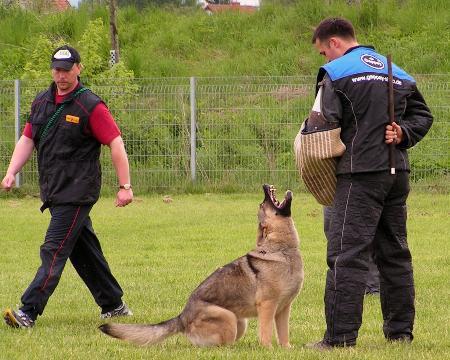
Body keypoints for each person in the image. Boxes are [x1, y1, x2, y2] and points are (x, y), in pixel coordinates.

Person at [306, 18, 433, 349]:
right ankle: (400, 334)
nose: (325, 59)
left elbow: (320, 128)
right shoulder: (398, 72)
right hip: (396, 175)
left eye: (323, 52)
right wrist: (403, 132)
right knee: (395, 255)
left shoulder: (335, 74)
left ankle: (339, 338)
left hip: (359, 176)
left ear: (333, 42)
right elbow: (423, 117)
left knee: (347, 255)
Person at [2, 45, 134, 328]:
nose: (61, 75)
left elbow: (116, 143)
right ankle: (114, 304)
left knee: (54, 248)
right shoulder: (41, 103)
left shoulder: (90, 106)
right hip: (55, 190)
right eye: (57, 69)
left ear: (78, 69)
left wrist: (125, 185)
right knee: (83, 248)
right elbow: (27, 139)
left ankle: (28, 311)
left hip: (78, 191)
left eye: (67, 69)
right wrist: (12, 171)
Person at [323, 206, 380, 295]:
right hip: (331, 195)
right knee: (333, 232)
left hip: (359, 195)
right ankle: (344, 283)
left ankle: (373, 286)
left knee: (364, 234)